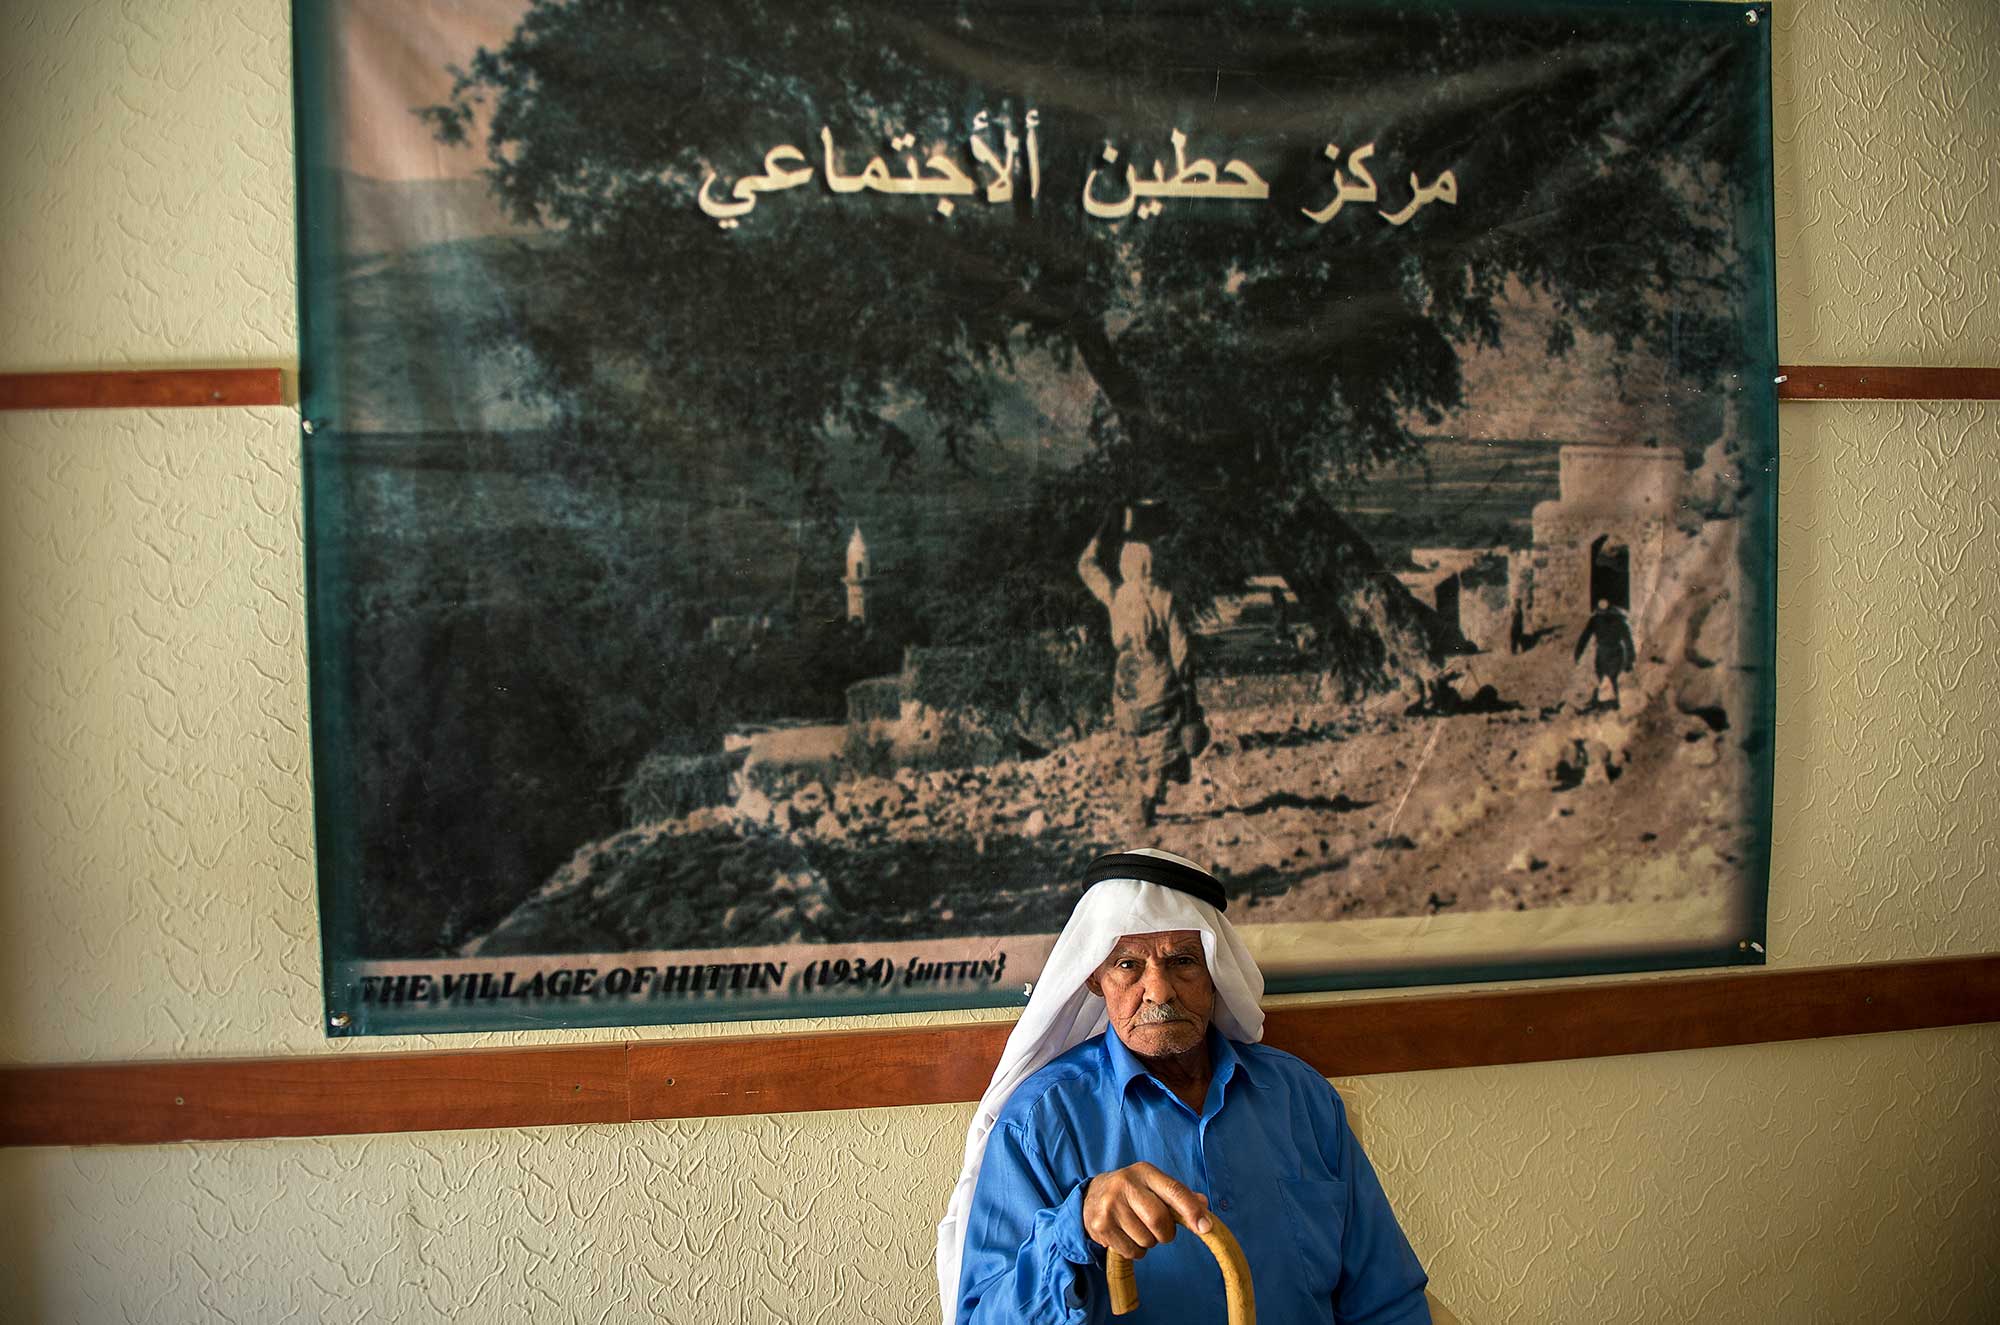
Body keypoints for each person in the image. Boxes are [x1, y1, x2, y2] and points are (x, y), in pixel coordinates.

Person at [938, 849, 1431, 1324]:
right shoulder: (1041, 1119)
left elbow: (1385, 1298)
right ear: (1095, 980)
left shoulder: (1300, 1096)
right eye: (1128, 965)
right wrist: (1076, 1225)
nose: (1159, 990)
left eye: (1182, 962)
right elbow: (983, 1317)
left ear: (1216, 972)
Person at [1077, 510, 1197, 828]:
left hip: (1126, 679)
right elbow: (1181, 650)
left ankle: (1142, 792)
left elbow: (1086, 567)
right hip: (1156, 674)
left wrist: (1103, 530)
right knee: (1162, 733)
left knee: (1135, 736)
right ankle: (1151, 792)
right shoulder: (1164, 599)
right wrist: (1187, 686)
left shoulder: (1116, 596)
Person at [1572, 599, 1636, 710]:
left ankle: (1612, 703)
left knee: (1610, 677)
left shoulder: (1601, 620)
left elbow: (1585, 637)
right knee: (1603, 676)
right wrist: (1630, 659)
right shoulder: (1614, 620)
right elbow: (1628, 640)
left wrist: (1578, 652)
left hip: (1610, 652)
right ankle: (1604, 702)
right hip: (1607, 652)